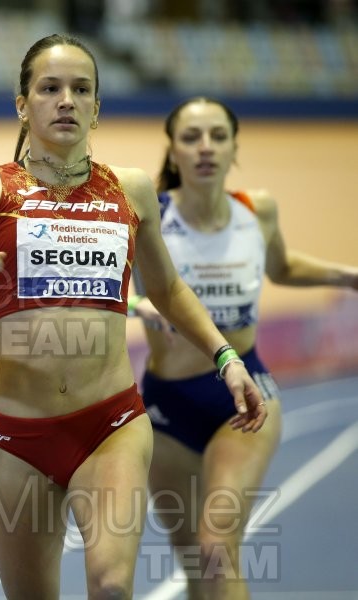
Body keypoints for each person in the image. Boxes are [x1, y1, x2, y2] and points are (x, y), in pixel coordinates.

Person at [0, 35, 267, 599]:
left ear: (97, 108)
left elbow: (168, 289)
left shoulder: (131, 188)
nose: (66, 100)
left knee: (112, 585)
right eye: (49, 88)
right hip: (16, 435)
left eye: (81, 89)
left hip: (111, 425)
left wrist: (226, 357)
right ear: (22, 104)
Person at [129, 96, 358, 599]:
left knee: (217, 548)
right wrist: (137, 305)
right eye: (191, 138)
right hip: (168, 404)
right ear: (173, 151)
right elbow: (107, 282)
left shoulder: (258, 210)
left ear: (235, 147)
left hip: (247, 393)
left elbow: (282, 267)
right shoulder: (149, 215)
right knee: (194, 562)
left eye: (218, 136)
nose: (205, 147)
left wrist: (348, 275)